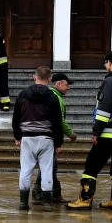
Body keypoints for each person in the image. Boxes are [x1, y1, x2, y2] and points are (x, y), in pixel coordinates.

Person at [66, 50, 112, 210]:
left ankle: (84, 200)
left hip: (108, 134)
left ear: (109, 63)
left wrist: (96, 131)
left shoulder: (111, 81)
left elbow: (104, 109)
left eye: (105, 63)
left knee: (91, 166)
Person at [12, 65, 65, 211]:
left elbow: (16, 118)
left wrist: (17, 136)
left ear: (34, 77)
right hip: (46, 139)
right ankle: (48, 204)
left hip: (27, 138)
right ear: (50, 79)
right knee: (47, 170)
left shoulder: (22, 95)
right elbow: (57, 122)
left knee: (25, 170)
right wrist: (58, 142)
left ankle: (23, 203)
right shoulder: (53, 97)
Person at [32, 72, 78, 204]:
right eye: (66, 85)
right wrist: (70, 133)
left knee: (51, 166)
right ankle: (39, 195)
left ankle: (53, 194)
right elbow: (59, 120)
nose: (68, 88)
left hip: (43, 135)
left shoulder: (50, 95)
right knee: (48, 166)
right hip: (49, 137)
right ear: (58, 84)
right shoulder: (55, 98)